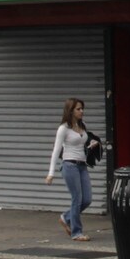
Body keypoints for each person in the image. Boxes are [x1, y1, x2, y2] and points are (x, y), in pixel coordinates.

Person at [44, 97, 96, 241]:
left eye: (82, 108)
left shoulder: (82, 125)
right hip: (69, 165)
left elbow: (80, 145)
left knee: (87, 199)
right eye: (78, 109)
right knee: (77, 199)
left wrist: (91, 145)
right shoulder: (63, 129)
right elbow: (56, 151)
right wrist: (51, 173)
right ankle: (76, 232)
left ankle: (65, 217)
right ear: (71, 111)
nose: (82, 111)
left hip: (82, 165)